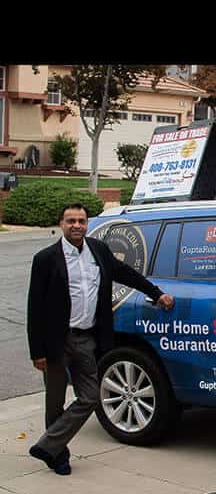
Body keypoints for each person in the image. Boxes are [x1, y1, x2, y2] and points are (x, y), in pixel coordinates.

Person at [26, 203, 174, 475]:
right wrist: (37, 351)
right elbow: (34, 307)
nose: (77, 225)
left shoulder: (99, 251)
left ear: (86, 224)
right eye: (70, 221)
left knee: (92, 396)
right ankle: (58, 455)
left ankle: (47, 444)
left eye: (81, 221)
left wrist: (156, 293)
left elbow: (127, 274)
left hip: (86, 339)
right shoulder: (46, 259)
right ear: (61, 224)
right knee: (55, 402)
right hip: (56, 341)